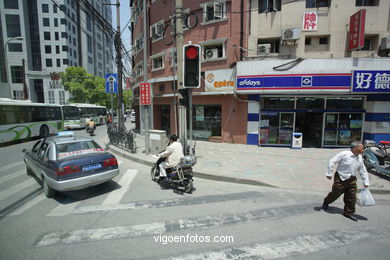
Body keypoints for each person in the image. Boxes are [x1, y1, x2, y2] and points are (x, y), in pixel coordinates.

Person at [322, 141, 370, 221]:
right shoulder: (344, 154)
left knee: (351, 197)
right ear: (354, 148)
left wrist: (366, 182)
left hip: (352, 180)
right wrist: (329, 173)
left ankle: (348, 213)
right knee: (335, 194)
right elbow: (332, 161)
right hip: (340, 178)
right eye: (361, 149)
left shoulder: (360, 158)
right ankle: (326, 201)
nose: (362, 150)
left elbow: (363, 170)